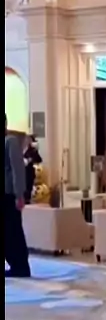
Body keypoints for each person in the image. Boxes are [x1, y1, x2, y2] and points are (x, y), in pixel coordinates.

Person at [5, 115, 31, 278]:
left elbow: (17, 169)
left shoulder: (11, 141)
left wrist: (19, 194)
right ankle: (14, 263)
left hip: (9, 194)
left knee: (13, 230)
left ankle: (20, 266)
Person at [23, 134, 42, 204]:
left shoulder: (32, 150)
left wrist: (30, 159)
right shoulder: (20, 148)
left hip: (28, 172)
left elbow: (39, 160)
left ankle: (26, 201)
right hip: (20, 172)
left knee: (27, 189)